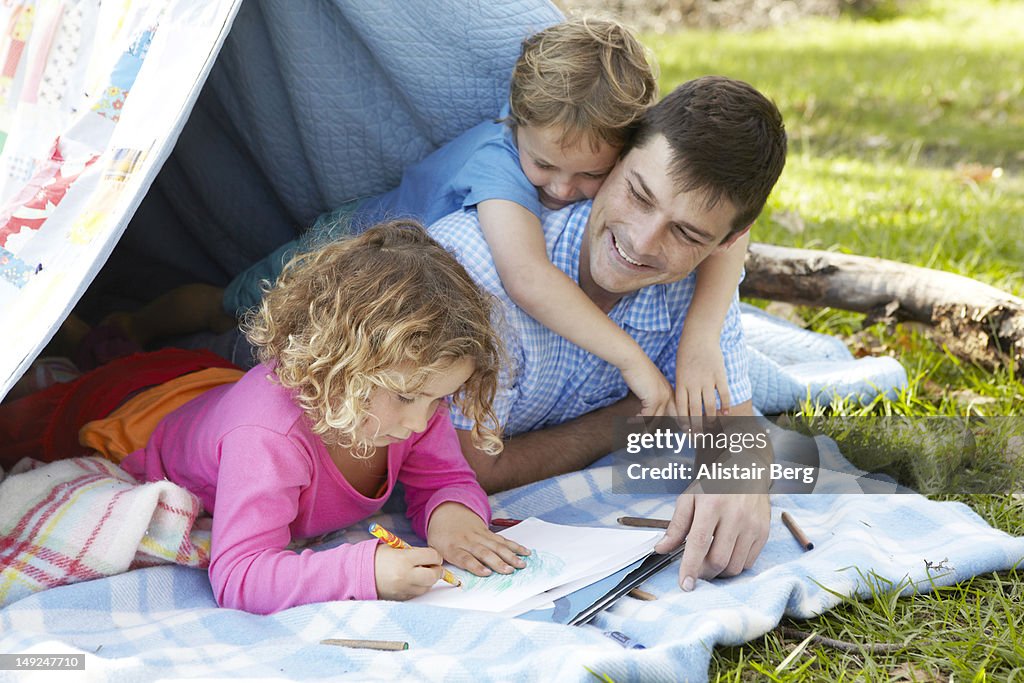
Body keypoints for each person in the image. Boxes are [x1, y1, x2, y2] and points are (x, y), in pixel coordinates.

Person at [222, 16, 747, 421]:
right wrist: (631, 359)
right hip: (344, 251)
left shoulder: (562, 132)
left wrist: (701, 335)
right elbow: (527, 278)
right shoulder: (500, 164)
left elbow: (731, 232)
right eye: (543, 165)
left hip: (393, 280)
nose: (562, 190)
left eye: (590, 174)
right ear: (515, 120)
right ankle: (152, 323)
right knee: (243, 311)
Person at [427, 75, 788, 592]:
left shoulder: (698, 290)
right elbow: (471, 467)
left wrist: (744, 482)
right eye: (639, 195)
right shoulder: (484, 275)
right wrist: (622, 422)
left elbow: (734, 428)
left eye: (687, 233)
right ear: (613, 161)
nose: (641, 242)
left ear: (726, 243)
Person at [116, 222, 528, 614]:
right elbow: (239, 577)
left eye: (437, 399)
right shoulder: (268, 437)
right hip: (137, 416)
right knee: (104, 363)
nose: (421, 423)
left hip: (213, 397)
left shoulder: (414, 400)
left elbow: (445, 478)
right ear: (337, 368)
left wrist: (452, 519)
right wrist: (364, 571)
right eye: (406, 397)